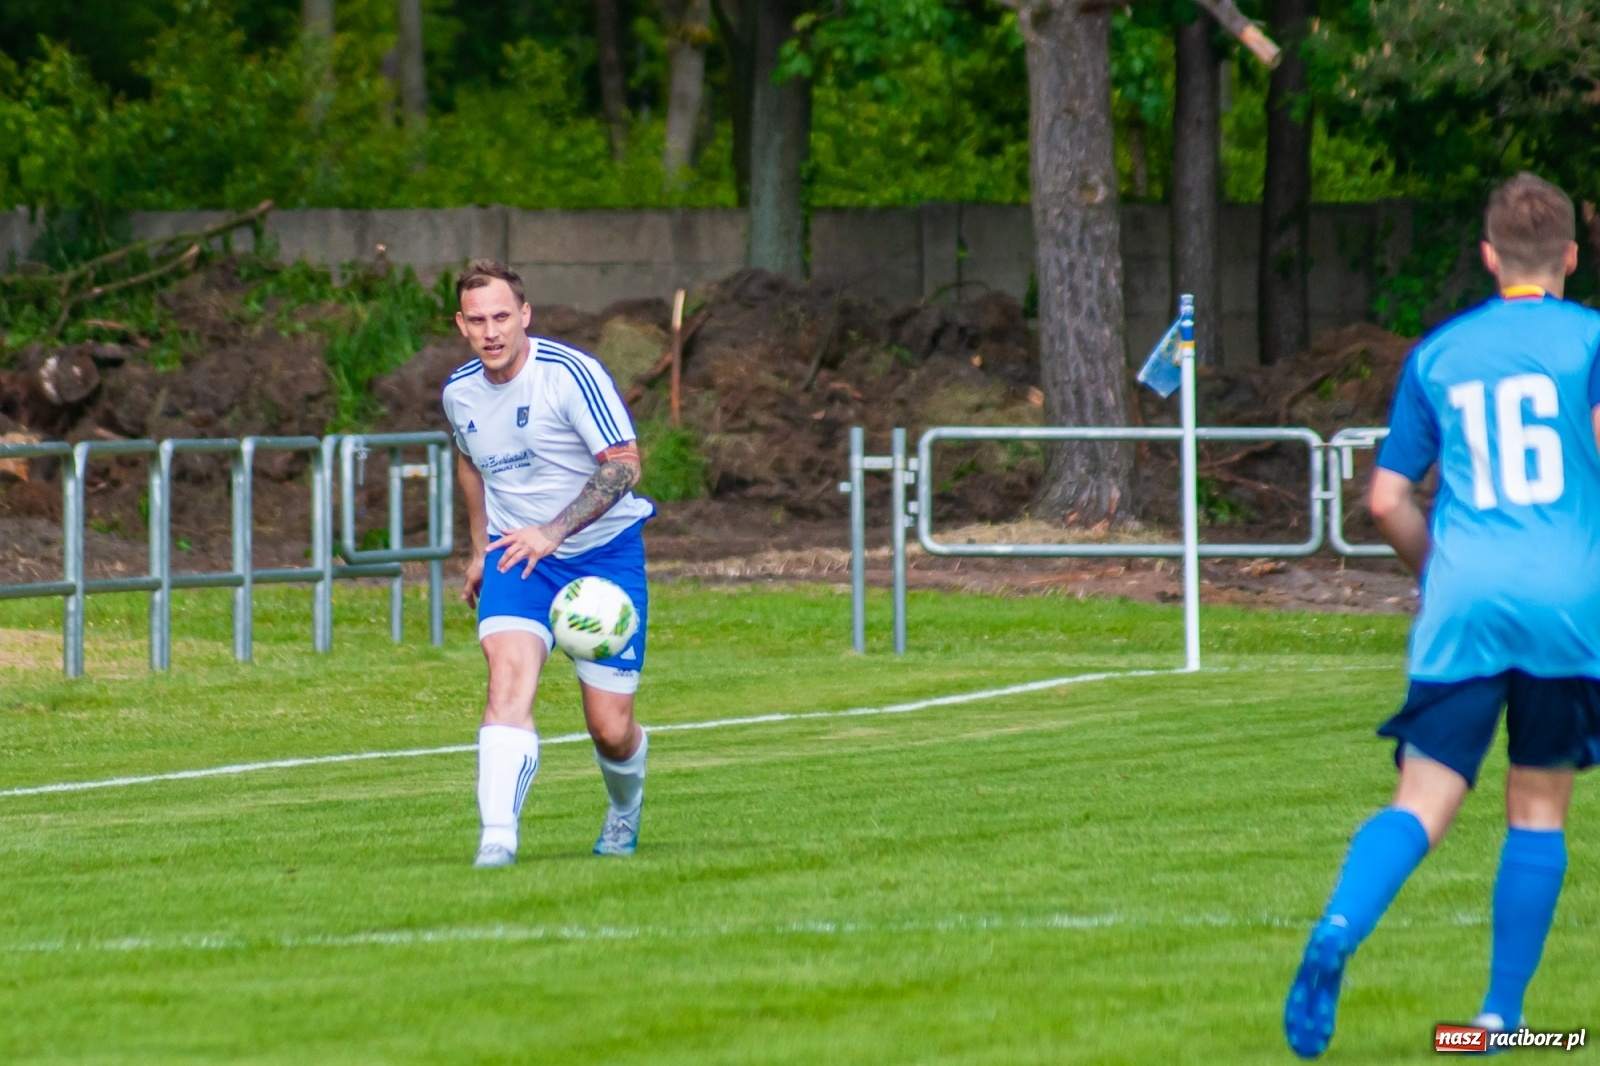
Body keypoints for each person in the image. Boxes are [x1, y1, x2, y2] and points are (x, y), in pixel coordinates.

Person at [1284, 173, 1600, 1058]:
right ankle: (1500, 1021)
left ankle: (1342, 922)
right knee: (1537, 808)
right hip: (1568, 605)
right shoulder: (1592, 343)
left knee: (1422, 799)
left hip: (1463, 603)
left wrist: (1440, 570)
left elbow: (1386, 500)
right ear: (1572, 256)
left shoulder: (1439, 354)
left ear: (1490, 257)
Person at [442, 259, 655, 868]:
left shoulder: (569, 374)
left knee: (610, 728)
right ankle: (498, 837)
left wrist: (553, 530)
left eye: (502, 316)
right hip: (520, 558)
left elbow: (624, 463)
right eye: (478, 319)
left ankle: (624, 807)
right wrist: (483, 547)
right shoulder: (459, 392)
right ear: (462, 324)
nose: (491, 331)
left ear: (525, 315)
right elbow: (468, 457)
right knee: (506, 682)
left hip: (603, 559)